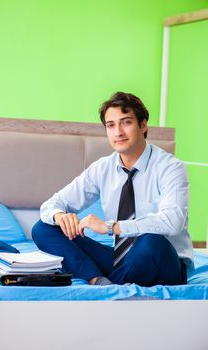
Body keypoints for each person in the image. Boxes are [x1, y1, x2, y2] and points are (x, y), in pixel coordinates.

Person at [32, 91, 193, 286]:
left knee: (151, 240)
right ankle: (97, 281)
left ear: (143, 125)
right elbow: (52, 204)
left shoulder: (171, 167)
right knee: (44, 228)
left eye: (126, 122)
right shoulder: (103, 168)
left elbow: (173, 221)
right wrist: (60, 216)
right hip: (121, 261)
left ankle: (107, 286)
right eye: (111, 125)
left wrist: (111, 227)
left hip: (164, 263)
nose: (118, 132)